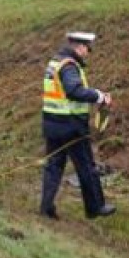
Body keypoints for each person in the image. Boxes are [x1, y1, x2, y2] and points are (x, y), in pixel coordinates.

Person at [39, 31, 116, 220]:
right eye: (87, 49)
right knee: (87, 167)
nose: (87, 53)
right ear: (80, 47)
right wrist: (99, 96)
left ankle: (46, 207)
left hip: (52, 123)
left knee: (54, 166)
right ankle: (96, 207)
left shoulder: (55, 62)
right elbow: (74, 91)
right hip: (71, 125)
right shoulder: (69, 66)